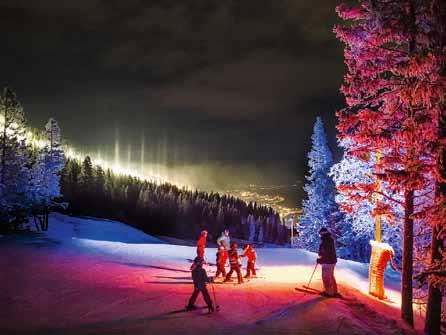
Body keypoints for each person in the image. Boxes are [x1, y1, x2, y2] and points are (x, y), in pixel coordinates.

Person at [317, 227, 338, 297]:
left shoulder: (326, 241)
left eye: (320, 234)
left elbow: (326, 253)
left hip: (327, 262)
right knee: (331, 276)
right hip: (331, 261)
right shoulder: (329, 240)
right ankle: (334, 291)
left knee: (326, 277)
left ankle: (329, 292)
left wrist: (321, 259)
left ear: (322, 233)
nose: (320, 235)